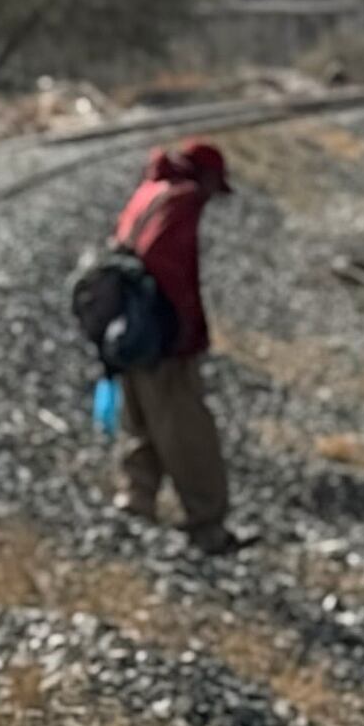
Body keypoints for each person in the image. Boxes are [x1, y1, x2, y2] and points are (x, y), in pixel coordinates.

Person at [110, 139, 238, 555]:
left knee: (141, 418)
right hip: (160, 333)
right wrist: (187, 330)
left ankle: (135, 502)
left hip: (128, 327)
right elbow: (169, 267)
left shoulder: (150, 189)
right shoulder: (182, 199)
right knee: (186, 428)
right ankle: (207, 525)